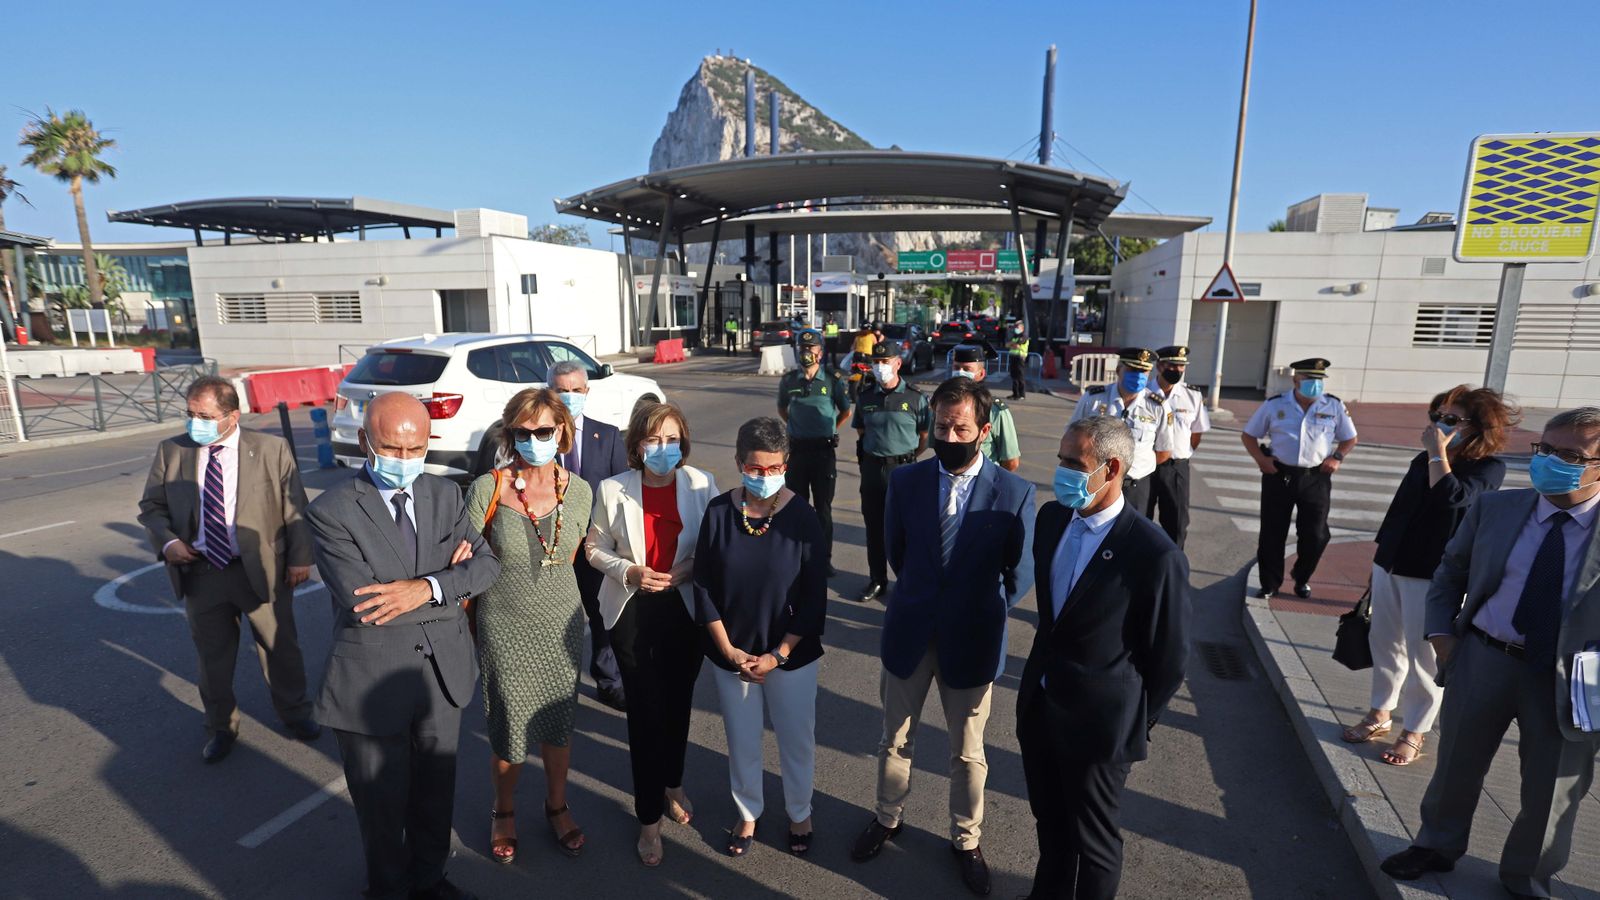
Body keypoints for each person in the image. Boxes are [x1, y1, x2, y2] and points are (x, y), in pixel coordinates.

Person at [1381, 407, 1600, 899]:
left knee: (1553, 786)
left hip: (1572, 677)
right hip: (1484, 655)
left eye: (1571, 455)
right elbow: (1450, 575)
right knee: (1457, 762)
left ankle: (1526, 876)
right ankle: (1435, 845)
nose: (1551, 462)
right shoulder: (1498, 509)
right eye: (1546, 449)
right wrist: (1442, 638)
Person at [307, 392, 501, 900]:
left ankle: (431, 878)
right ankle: (388, 888)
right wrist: (451, 582)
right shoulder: (331, 511)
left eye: (415, 450)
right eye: (392, 448)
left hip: (442, 674)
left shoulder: (444, 494)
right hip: (372, 680)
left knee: (436, 794)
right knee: (381, 805)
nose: (404, 460)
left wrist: (426, 586)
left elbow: (486, 566)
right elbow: (366, 604)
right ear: (365, 441)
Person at [851, 377, 1036, 897]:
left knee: (968, 754)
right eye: (940, 426)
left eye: (960, 427)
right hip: (911, 630)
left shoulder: (1014, 491)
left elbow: (1018, 575)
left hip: (973, 640)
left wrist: (972, 609)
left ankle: (966, 838)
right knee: (895, 739)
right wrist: (927, 598)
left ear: (983, 430)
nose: (949, 435)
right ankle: (887, 818)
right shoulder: (907, 482)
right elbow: (899, 553)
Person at [1020, 415, 1190, 900]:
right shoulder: (1053, 519)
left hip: (1100, 728)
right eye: (1060, 460)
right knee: (1050, 827)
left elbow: (1170, 660)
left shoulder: (1154, 555)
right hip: (1042, 708)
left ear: (1112, 468)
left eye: (1073, 463)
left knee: (1093, 844)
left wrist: (1134, 721)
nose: (1061, 472)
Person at [137, 376, 319, 763]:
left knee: (280, 648)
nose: (194, 423)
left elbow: (295, 508)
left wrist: (301, 558)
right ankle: (220, 727)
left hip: (261, 570)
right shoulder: (172, 452)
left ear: (233, 416)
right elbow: (151, 508)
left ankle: (296, 714)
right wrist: (168, 542)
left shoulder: (271, 449)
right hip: (203, 573)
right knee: (213, 660)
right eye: (190, 414)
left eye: (205, 415)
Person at [1344, 385, 1514, 766]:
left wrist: (1438, 453)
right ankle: (1379, 713)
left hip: (1434, 574)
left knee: (1425, 657)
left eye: (1451, 419)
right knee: (1385, 643)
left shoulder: (1489, 467)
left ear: (1478, 426)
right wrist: (1379, 562)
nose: (1439, 425)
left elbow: (1453, 499)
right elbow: (1399, 512)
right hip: (1393, 563)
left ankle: (1415, 730)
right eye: (1437, 417)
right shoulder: (1423, 461)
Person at [585, 402, 718, 867]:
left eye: (672, 439)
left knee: (679, 702)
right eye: (654, 440)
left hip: (683, 609)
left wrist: (688, 568)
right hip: (632, 611)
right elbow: (594, 547)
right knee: (644, 713)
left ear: (683, 442)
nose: (664, 448)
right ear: (638, 445)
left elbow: (714, 545)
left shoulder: (701, 484)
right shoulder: (612, 488)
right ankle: (647, 820)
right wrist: (630, 571)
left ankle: (673, 781)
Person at [466, 388, 594, 864]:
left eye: (544, 430)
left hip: (560, 624)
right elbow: (465, 557)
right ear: (510, 434)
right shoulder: (490, 487)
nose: (535, 439)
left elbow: (580, 553)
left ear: (562, 430)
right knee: (509, 729)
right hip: (504, 625)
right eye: (524, 431)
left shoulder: (578, 490)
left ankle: (557, 804)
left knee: (558, 728)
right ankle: (503, 809)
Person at [693, 417, 828, 858]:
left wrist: (777, 655)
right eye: (755, 468)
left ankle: (799, 812)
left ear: (786, 465)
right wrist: (729, 650)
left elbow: (813, 598)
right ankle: (748, 812)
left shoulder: (803, 518)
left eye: (773, 469)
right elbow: (704, 586)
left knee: (795, 738)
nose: (763, 477)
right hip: (733, 654)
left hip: (790, 655)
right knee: (742, 738)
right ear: (738, 463)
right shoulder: (717, 512)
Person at [548, 361, 631, 711]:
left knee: (602, 613)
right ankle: (553, 686)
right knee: (554, 616)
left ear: (587, 392)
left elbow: (623, 491)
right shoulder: (536, 436)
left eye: (576, 390)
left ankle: (609, 680)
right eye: (561, 390)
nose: (569, 397)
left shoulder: (608, 435)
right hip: (552, 546)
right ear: (548, 392)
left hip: (597, 543)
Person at [1241, 358, 1359, 599]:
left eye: (1318, 380)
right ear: (1295, 380)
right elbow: (1249, 435)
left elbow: (1350, 438)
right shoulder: (1275, 405)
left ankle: (1301, 577)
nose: (1314, 384)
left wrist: (1336, 457)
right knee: (1273, 533)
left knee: (1316, 534)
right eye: (1308, 379)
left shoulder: (1333, 405)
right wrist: (1261, 461)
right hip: (1279, 475)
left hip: (1316, 477)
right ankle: (1270, 584)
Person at [852, 342, 930, 603]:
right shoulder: (865, 397)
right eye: (877, 361)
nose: (880, 366)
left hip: (904, 470)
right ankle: (877, 579)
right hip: (873, 469)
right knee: (874, 528)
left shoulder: (915, 397)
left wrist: (906, 458)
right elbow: (861, 432)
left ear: (898, 363)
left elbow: (924, 437)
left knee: (906, 529)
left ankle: (907, 581)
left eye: (886, 362)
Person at [778, 330, 851, 575]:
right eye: (802, 349)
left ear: (820, 352)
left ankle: (823, 558)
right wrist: (796, 427)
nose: (806, 353)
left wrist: (829, 430)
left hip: (823, 453)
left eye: (810, 349)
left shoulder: (832, 380)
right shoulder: (789, 381)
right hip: (797, 452)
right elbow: (782, 408)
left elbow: (845, 411)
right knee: (796, 506)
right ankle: (796, 557)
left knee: (823, 509)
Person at [1069, 348, 1170, 516]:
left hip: (1136, 487)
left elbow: (1164, 451)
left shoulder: (1158, 406)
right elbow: (1072, 440)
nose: (1138, 376)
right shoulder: (1093, 399)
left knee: (1133, 537)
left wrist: (1135, 469)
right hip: (1096, 483)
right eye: (1132, 370)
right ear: (1118, 370)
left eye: (1143, 371)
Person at [1146, 345, 1211, 548]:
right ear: (1159, 366)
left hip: (1175, 468)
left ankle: (1173, 573)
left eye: (1181, 366)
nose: (1177, 370)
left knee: (1176, 523)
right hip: (1144, 467)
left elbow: (1196, 432)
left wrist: (1182, 454)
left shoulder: (1192, 396)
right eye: (1173, 365)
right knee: (1139, 519)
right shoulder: (1142, 393)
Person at [950, 344, 1020, 472]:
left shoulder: (995, 410)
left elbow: (1011, 462)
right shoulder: (942, 405)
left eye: (967, 369)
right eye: (956, 367)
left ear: (981, 374)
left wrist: (991, 480)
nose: (960, 372)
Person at [1007, 321, 1029, 401]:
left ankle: (1021, 394)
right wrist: (1013, 344)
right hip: (1013, 357)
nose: (1016, 329)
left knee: (1020, 376)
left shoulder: (1024, 336)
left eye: (1017, 327)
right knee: (1014, 376)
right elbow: (1007, 344)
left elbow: (1017, 345)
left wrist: (1012, 344)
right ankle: (1015, 394)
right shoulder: (1015, 336)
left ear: (1022, 328)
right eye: (1015, 327)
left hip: (1020, 358)